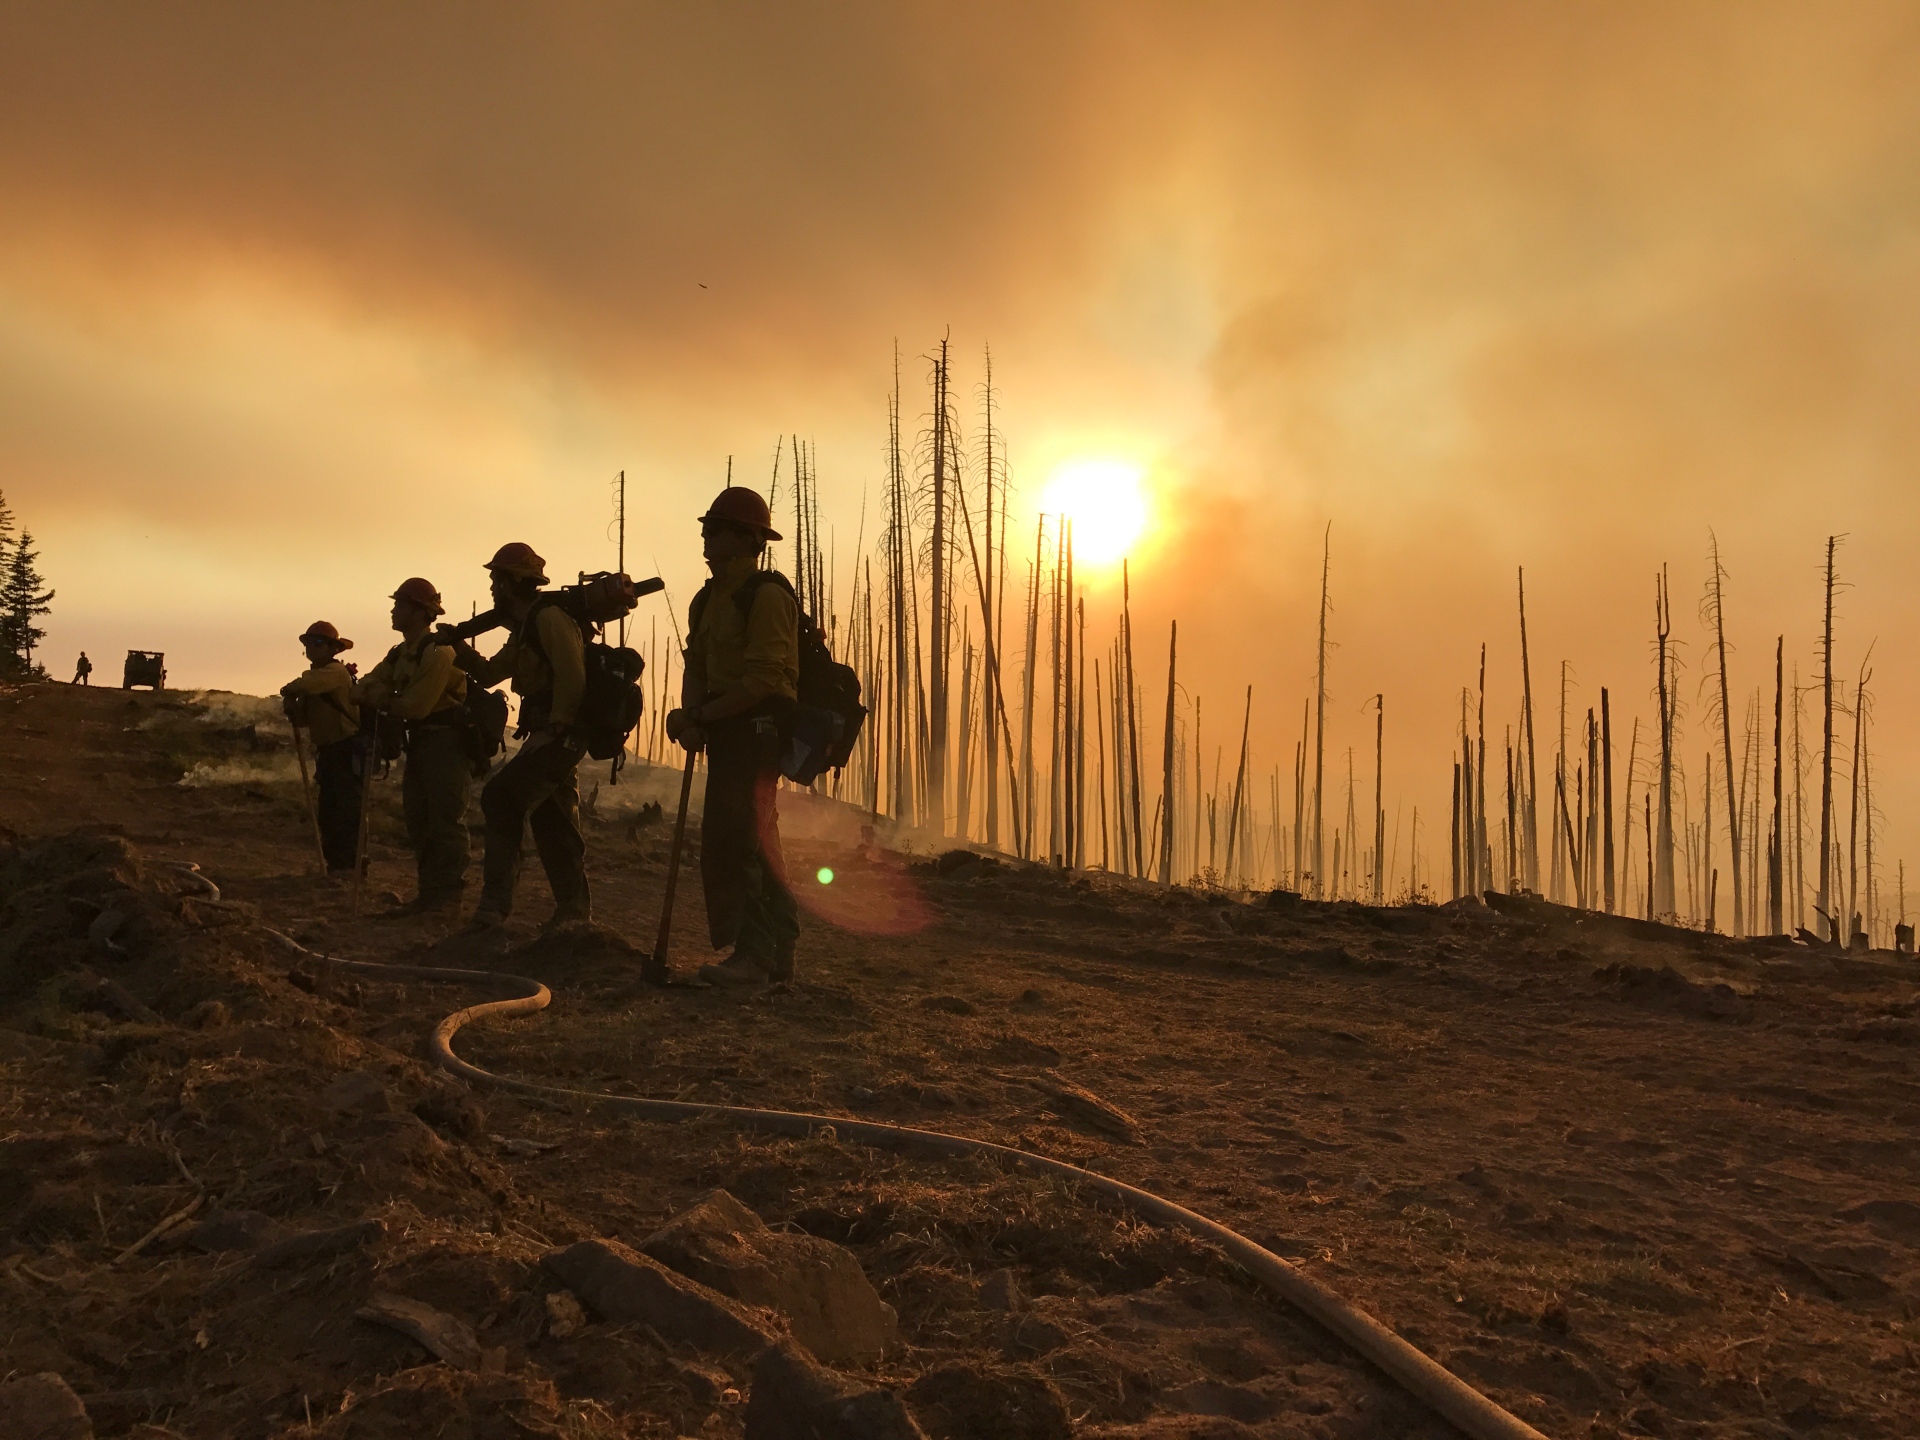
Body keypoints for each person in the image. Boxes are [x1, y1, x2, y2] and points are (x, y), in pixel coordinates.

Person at [666, 486, 801, 987]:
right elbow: (696, 663)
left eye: (716, 528)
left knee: (738, 839)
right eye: (706, 526)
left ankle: (756, 956)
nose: (705, 535)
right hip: (726, 730)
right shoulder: (707, 599)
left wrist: (704, 713)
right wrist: (691, 715)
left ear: (745, 539)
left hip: (757, 733)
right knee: (754, 839)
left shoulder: (765, 597)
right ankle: (776, 950)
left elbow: (766, 679)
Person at [446, 543, 591, 931]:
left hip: (560, 734)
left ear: (513, 582)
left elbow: (573, 675)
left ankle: (494, 909)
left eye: (497, 578)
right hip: (550, 733)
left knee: (502, 798)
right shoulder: (527, 627)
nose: (493, 586)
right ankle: (573, 912)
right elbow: (492, 674)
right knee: (552, 817)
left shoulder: (550, 618)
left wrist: (556, 729)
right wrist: (457, 644)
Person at [353, 578, 471, 913]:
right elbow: (361, 689)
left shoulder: (437, 652)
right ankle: (429, 895)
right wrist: (387, 697)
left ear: (420, 612)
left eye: (401, 605)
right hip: (420, 741)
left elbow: (412, 706)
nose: (393, 610)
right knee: (419, 820)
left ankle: (447, 898)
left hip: (445, 742)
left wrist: (383, 698)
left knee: (445, 820)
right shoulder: (401, 653)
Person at [279, 621, 362, 876]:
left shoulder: (333, 673)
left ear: (332, 649)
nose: (312, 649)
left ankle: (351, 864)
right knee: (330, 810)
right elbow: (305, 717)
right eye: (309, 644)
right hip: (329, 751)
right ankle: (337, 864)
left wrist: (289, 692)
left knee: (345, 810)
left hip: (346, 748)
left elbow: (302, 685)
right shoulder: (319, 678)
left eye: (317, 644)